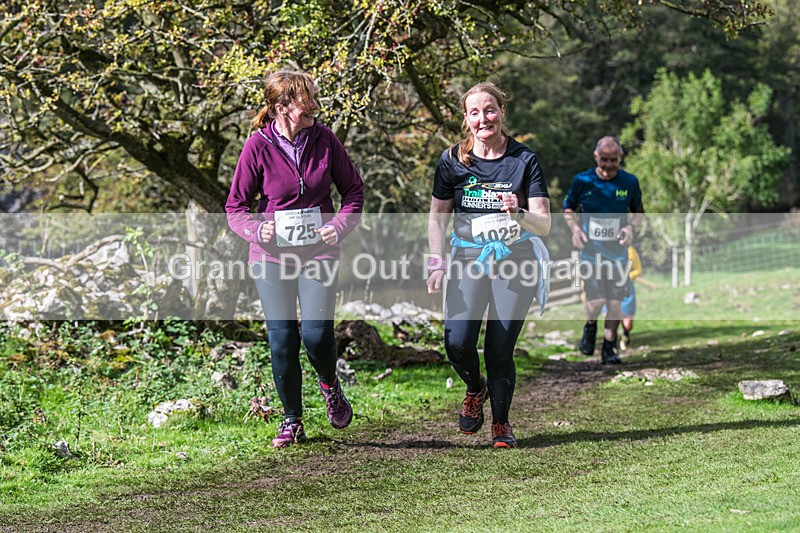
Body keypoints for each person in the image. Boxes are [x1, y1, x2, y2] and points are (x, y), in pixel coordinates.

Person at [226, 71, 364, 447]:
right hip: (270, 257)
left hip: (319, 250)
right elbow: (236, 208)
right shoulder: (257, 146)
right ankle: (292, 420)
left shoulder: (325, 140)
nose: (315, 106)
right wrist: (257, 230)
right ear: (281, 107)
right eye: (307, 100)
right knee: (282, 340)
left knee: (317, 335)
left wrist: (338, 226)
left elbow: (353, 191)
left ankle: (330, 384)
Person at [427, 82, 551, 448]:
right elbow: (437, 217)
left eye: (491, 110)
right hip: (467, 259)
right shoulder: (452, 160)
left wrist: (521, 212)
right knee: (457, 341)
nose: (484, 118)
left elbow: (544, 223)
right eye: (475, 112)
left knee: (499, 348)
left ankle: (501, 424)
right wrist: (436, 261)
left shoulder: (524, 160)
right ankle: (474, 386)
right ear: (466, 119)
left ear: (502, 112)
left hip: (516, 261)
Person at [563, 136, 644, 364]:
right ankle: (590, 326)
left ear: (620, 158)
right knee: (597, 300)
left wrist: (630, 227)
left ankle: (609, 348)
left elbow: (638, 212)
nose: (608, 165)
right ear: (596, 156)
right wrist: (575, 229)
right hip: (591, 253)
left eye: (614, 161)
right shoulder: (583, 181)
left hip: (618, 253)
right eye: (604, 160)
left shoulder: (629, 182)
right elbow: (568, 208)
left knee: (615, 302)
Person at [619, 246, 642, 351]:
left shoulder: (630, 251)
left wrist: (627, 277)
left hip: (627, 289)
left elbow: (638, 269)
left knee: (627, 323)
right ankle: (610, 345)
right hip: (610, 287)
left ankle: (625, 334)